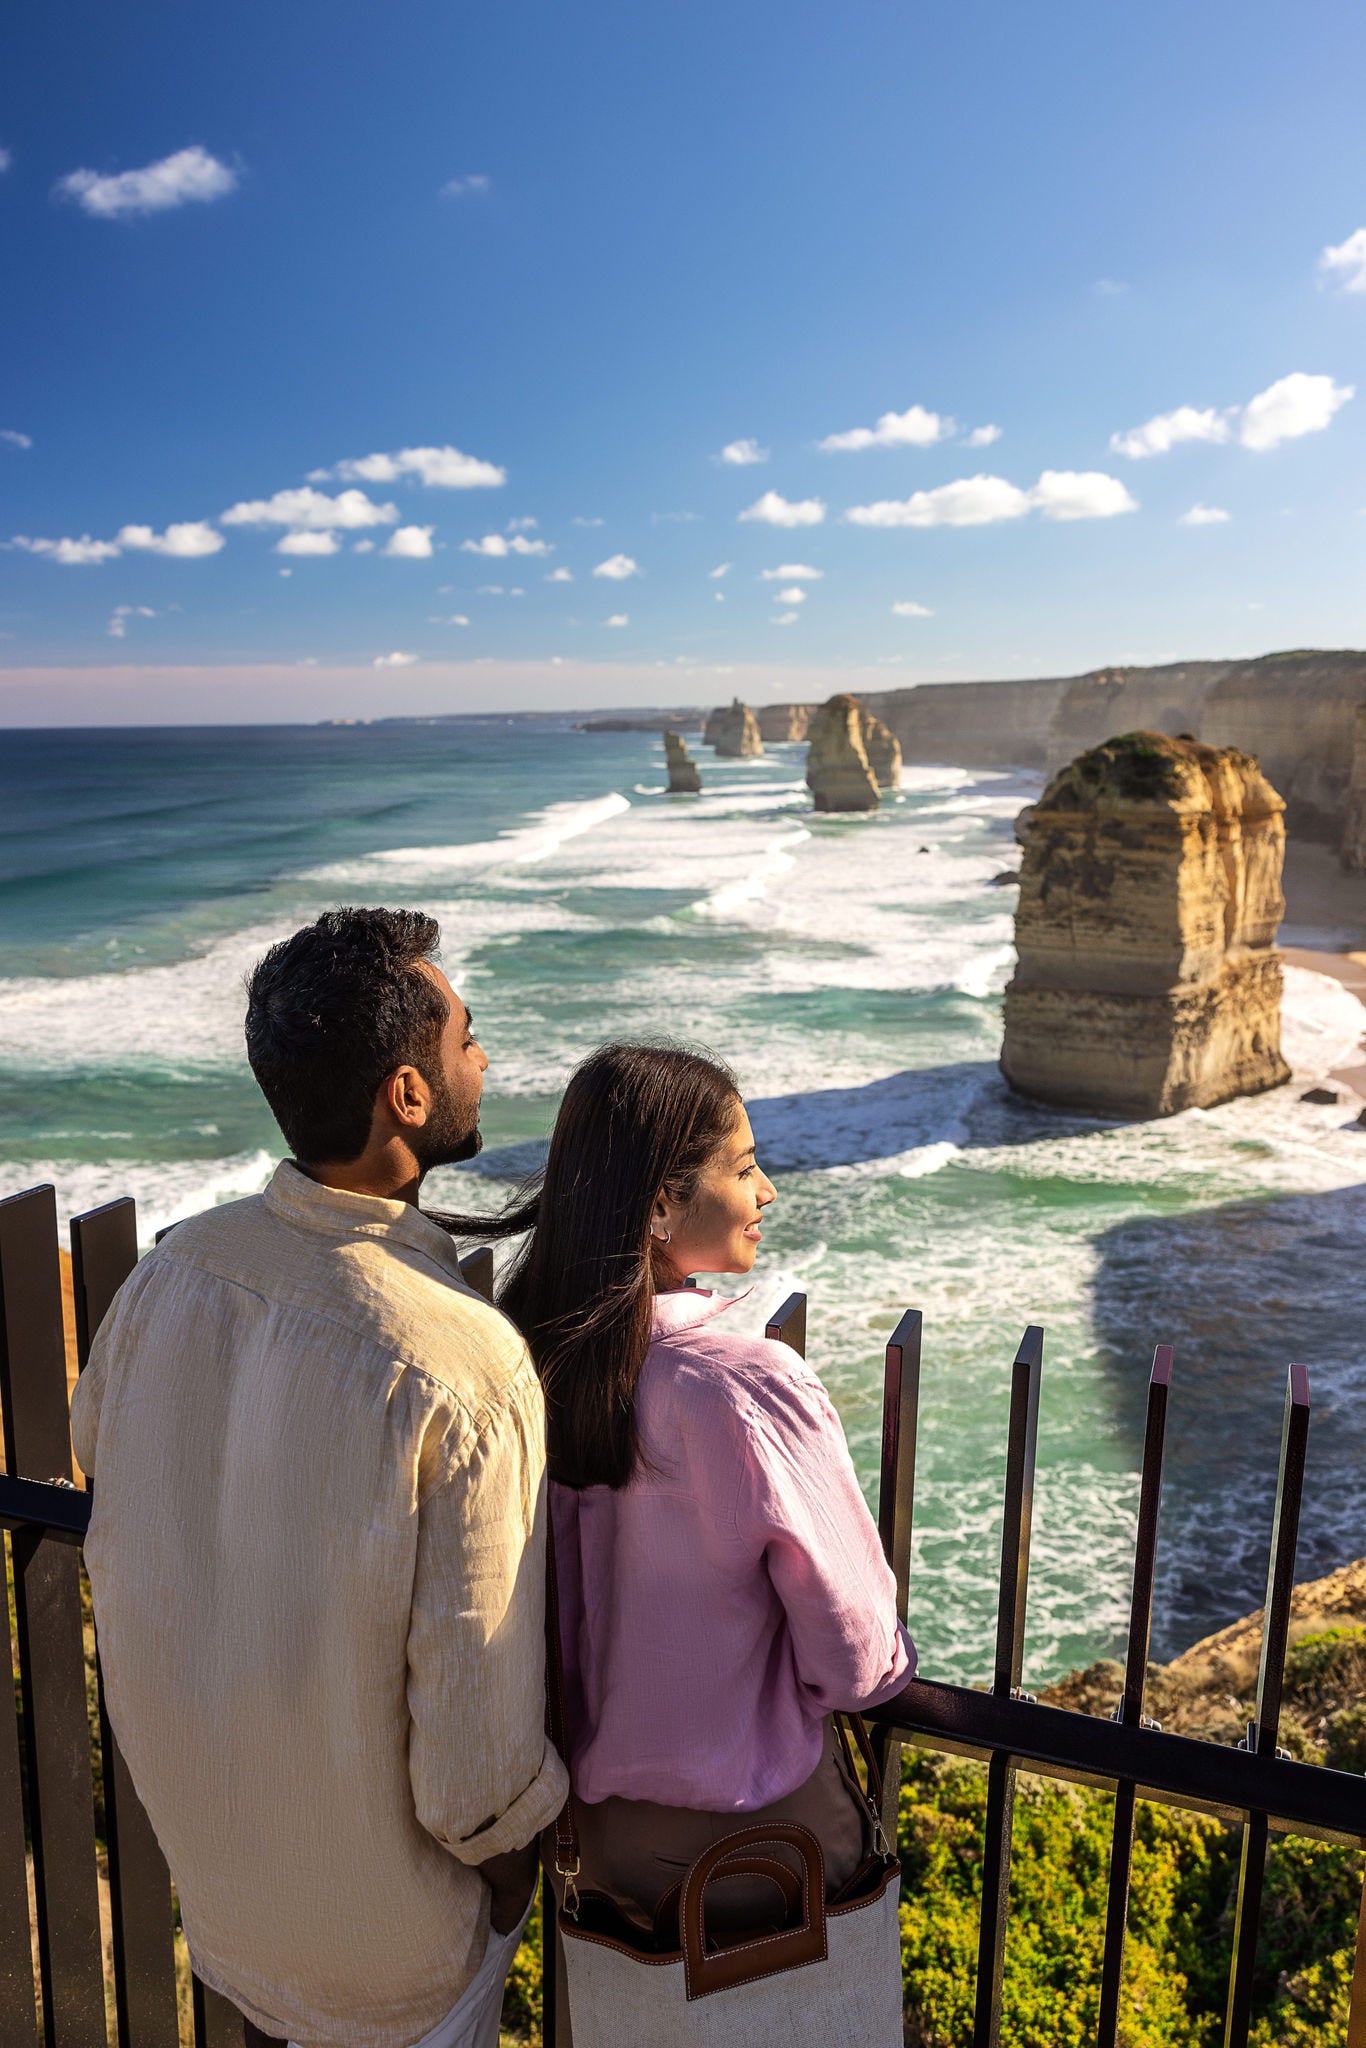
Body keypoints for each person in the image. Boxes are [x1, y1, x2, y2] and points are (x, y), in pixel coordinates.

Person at [70, 907, 566, 2048]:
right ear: (403, 1092)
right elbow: (474, 1764)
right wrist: (507, 1875)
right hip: (396, 1953)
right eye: (466, 1039)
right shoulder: (462, 1357)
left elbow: (104, 1454)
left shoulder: (173, 1268)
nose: (482, 1060)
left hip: (228, 1899)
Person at [490, 1040, 915, 1940]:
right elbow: (856, 1659)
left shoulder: (516, 1360)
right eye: (746, 1167)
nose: (767, 1193)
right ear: (658, 1203)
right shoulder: (744, 1382)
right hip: (761, 1841)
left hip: (598, 1843)